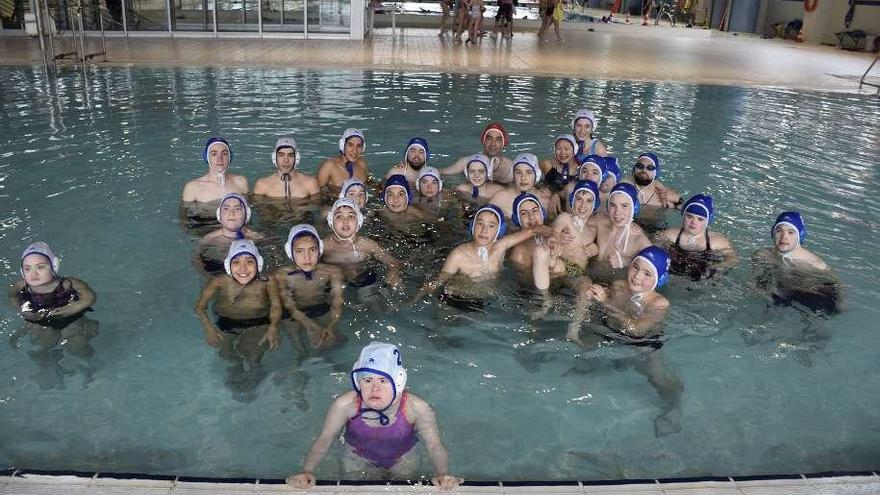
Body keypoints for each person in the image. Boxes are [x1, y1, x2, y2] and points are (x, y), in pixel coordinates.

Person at [287, 342, 461, 489]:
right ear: (358, 382)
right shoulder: (345, 405)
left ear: (398, 382)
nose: (375, 388)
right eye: (368, 380)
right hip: (357, 455)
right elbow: (324, 439)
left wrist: (442, 474)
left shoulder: (417, 408)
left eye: (383, 380)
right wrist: (308, 471)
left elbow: (434, 445)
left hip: (403, 457)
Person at [567, 245, 683, 437]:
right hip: (613, 332)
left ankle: (676, 404)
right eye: (636, 267)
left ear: (659, 279)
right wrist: (591, 296)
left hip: (644, 343)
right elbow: (600, 303)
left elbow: (636, 329)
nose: (637, 277)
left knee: (657, 380)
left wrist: (606, 303)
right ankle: (588, 373)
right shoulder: (619, 286)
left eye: (648, 274)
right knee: (588, 348)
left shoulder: (659, 303)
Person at [414, 204, 555, 309]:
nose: (484, 230)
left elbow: (533, 230)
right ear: (473, 227)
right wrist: (415, 300)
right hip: (455, 299)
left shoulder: (500, 247)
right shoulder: (458, 255)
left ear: (499, 231)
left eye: (491, 226)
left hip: (486, 301)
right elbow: (439, 280)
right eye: (480, 224)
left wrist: (556, 236)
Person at [195, 239, 282, 400]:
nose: (243, 269)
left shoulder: (267, 282)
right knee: (226, 353)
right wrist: (209, 328)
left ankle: (255, 368)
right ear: (229, 265)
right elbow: (200, 308)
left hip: (258, 323)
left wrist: (273, 327)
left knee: (253, 353)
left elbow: (276, 306)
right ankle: (235, 368)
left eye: (249, 262)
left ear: (258, 264)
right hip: (227, 322)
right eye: (236, 262)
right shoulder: (219, 282)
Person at [9, 242, 99, 387]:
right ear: (22, 272)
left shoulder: (68, 284)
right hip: (40, 321)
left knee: (77, 343)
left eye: (40, 267)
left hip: (70, 319)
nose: (34, 273)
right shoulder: (20, 287)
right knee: (42, 345)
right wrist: (22, 310)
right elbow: (12, 296)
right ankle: (49, 366)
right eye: (27, 269)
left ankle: (86, 365)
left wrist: (73, 308)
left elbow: (89, 297)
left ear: (53, 267)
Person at [274, 225, 345, 356]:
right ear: (290, 252)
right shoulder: (282, 275)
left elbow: (337, 301)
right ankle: (301, 355)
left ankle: (327, 358)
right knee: (292, 329)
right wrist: (310, 326)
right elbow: (288, 305)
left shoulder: (332, 272)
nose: (307, 257)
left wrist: (332, 325)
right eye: (300, 251)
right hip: (293, 313)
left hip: (319, 307)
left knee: (330, 339)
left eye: (312, 250)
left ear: (320, 250)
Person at [751, 211, 840, 315]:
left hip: (814, 293)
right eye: (779, 231)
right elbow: (756, 281)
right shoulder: (762, 255)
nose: (784, 237)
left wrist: (841, 305)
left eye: (791, 232)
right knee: (774, 301)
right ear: (773, 232)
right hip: (785, 289)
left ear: (800, 235)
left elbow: (836, 285)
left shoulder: (815, 263)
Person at [322, 198, 402, 296]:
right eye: (339, 216)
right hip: (334, 281)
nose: (345, 221)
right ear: (331, 221)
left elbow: (393, 262)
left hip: (362, 277)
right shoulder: (324, 246)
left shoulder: (367, 245)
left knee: (370, 298)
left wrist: (393, 272)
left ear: (359, 221)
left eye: (351, 216)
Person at [533, 180, 601, 290]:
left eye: (589, 201)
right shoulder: (565, 218)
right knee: (548, 258)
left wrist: (596, 248)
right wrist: (556, 237)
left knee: (588, 288)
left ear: (594, 205)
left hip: (578, 272)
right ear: (572, 200)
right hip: (560, 265)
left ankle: (581, 307)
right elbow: (551, 237)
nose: (583, 205)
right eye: (579, 199)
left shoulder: (593, 229)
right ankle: (544, 299)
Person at [657, 194, 737, 280]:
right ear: (683, 215)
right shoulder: (669, 235)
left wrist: (718, 266)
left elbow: (732, 259)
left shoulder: (717, 242)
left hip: (704, 275)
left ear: (708, 221)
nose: (693, 222)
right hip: (673, 273)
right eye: (689, 216)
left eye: (700, 219)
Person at [194, 192, 265, 276]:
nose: (231, 213)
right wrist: (207, 277)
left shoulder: (258, 237)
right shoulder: (209, 239)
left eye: (237, 208)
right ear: (219, 215)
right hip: (217, 269)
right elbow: (196, 259)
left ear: (247, 214)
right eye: (226, 208)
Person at [593, 183, 651, 279]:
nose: (617, 212)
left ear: (634, 208)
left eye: (624, 206)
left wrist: (626, 261)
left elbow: (656, 268)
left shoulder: (639, 240)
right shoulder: (600, 223)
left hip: (613, 285)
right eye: (613, 205)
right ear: (608, 206)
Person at [440, 123, 514, 185]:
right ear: (483, 141)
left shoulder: (510, 168)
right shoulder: (467, 162)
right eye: (489, 138)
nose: (493, 144)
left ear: (503, 143)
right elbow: (442, 173)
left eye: (498, 139)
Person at [182, 136, 249, 203]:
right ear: (207, 158)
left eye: (224, 154)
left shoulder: (241, 182)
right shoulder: (192, 188)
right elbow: (184, 213)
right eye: (214, 154)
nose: (219, 159)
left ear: (230, 157)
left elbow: (248, 210)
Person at [489, 153, 554, 219]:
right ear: (513, 175)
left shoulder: (544, 201)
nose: (523, 178)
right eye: (518, 172)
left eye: (528, 172)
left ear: (537, 176)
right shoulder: (500, 198)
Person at [253, 137, 320, 200]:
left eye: (290, 155)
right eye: (281, 155)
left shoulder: (310, 183)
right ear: (274, 157)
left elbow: (317, 208)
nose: (286, 160)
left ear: (297, 158)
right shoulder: (262, 185)